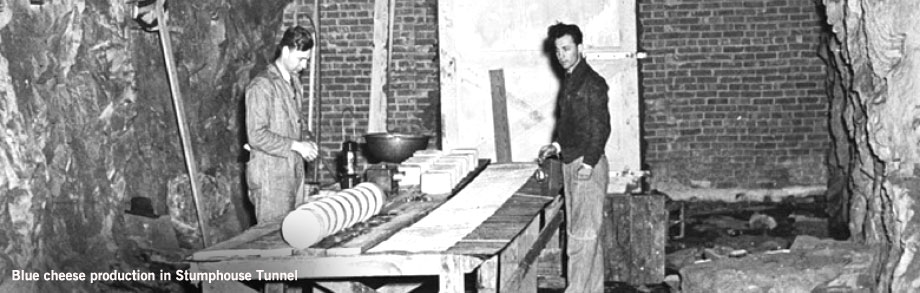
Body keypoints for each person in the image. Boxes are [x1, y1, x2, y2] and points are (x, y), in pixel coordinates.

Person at [539, 22, 611, 293]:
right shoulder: (571, 80)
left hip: (585, 166)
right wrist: (556, 146)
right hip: (573, 161)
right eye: (558, 50)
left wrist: (589, 163)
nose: (562, 55)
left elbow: (601, 127)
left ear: (580, 48)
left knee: (581, 236)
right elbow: (571, 125)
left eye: (567, 49)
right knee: (587, 234)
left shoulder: (592, 83)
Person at [245, 25, 318, 223]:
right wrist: (296, 146)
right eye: (300, 59)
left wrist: (307, 141)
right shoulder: (262, 86)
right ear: (285, 51)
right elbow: (256, 135)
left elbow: (295, 123)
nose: (304, 66)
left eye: (307, 60)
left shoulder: (294, 83)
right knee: (272, 243)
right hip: (270, 179)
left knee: (296, 236)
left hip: (293, 173)